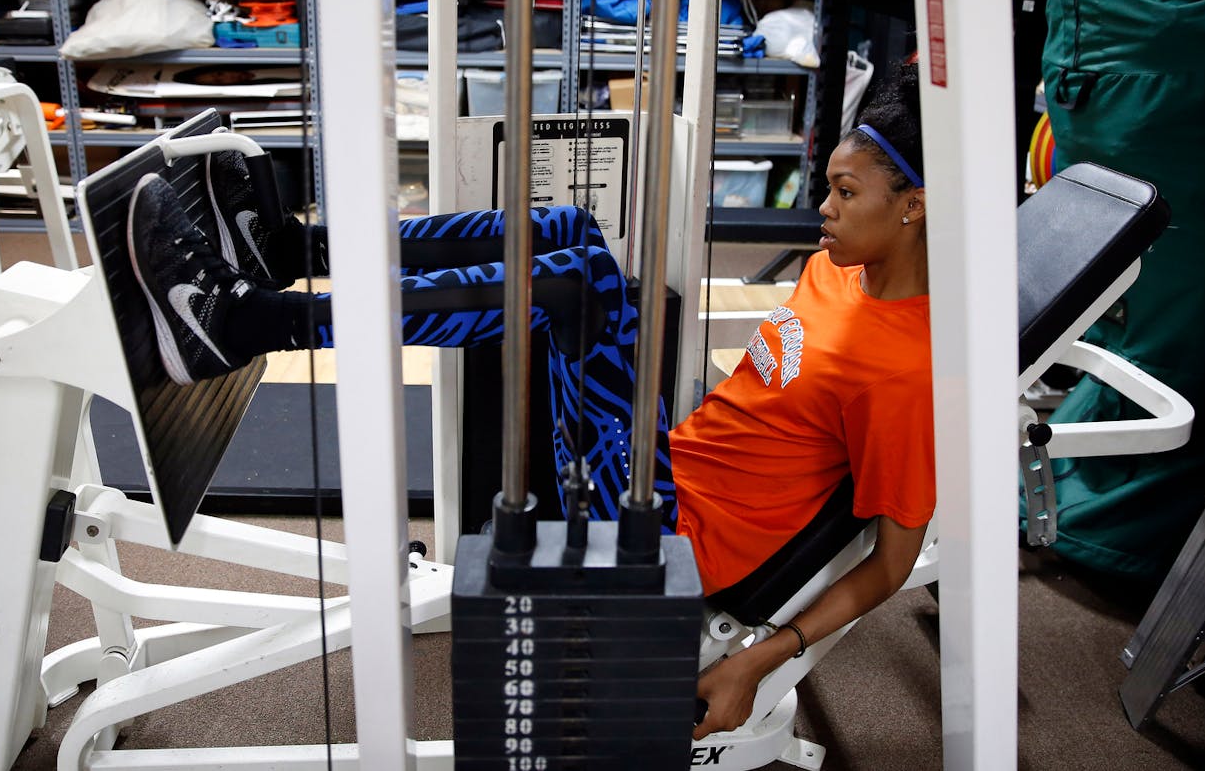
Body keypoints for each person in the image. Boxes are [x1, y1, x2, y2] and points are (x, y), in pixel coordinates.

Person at [126, 63, 933, 740]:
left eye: (844, 192)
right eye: (827, 187)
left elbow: (891, 565)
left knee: (579, 287)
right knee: (572, 230)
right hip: (661, 467)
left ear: (913, 207)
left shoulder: (907, 375)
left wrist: (758, 656)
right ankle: (295, 249)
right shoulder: (840, 267)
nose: (820, 209)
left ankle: (240, 322)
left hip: (670, 539)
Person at [1032, 0, 1205, 579]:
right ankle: (1122, 521)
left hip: (1106, 52)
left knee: (1141, 311)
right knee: (1199, 330)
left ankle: (1067, 493)